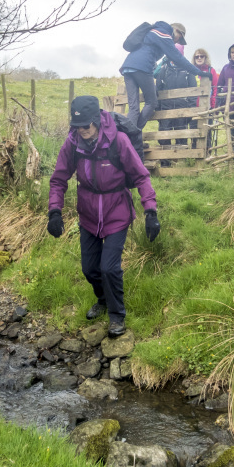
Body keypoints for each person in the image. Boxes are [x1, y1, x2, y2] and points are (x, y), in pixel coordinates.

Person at [47, 96, 160, 338]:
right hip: (87, 213)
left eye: (86, 126)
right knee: (90, 269)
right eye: (77, 127)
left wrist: (150, 211)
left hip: (116, 210)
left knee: (109, 268)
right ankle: (102, 299)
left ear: (97, 122)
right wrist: (54, 211)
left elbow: (141, 176)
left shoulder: (117, 141)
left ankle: (117, 315)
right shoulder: (72, 144)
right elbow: (58, 179)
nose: (82, 132)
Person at [120, 21, 208, 130]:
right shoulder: (165, 34)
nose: (178, 42)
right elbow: (177, 57)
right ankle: (134, 134)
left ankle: (128, 140)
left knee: (133, 108)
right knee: (151, 103)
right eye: (179, 38)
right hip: (142, 68)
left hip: (128, 67)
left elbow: (148, 53)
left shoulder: (154, 31)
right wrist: (198, 72)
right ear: (176, 31)